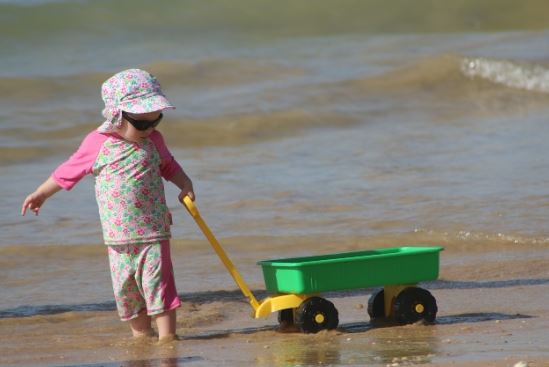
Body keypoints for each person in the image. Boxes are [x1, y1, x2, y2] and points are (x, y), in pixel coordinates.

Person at [21, 69, 194, 343]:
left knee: (159, 286)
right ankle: (141, 337)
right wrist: (42, 193)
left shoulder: (154, 141)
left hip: (153, 231)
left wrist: (185, 183)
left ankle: (167, 340)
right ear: (117, 115)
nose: (149, 128)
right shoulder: (97, 144)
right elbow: (69, 170)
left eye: (156, 120)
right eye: (141, 123)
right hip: (117, 237)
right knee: (128, 293)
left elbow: (169, 166)